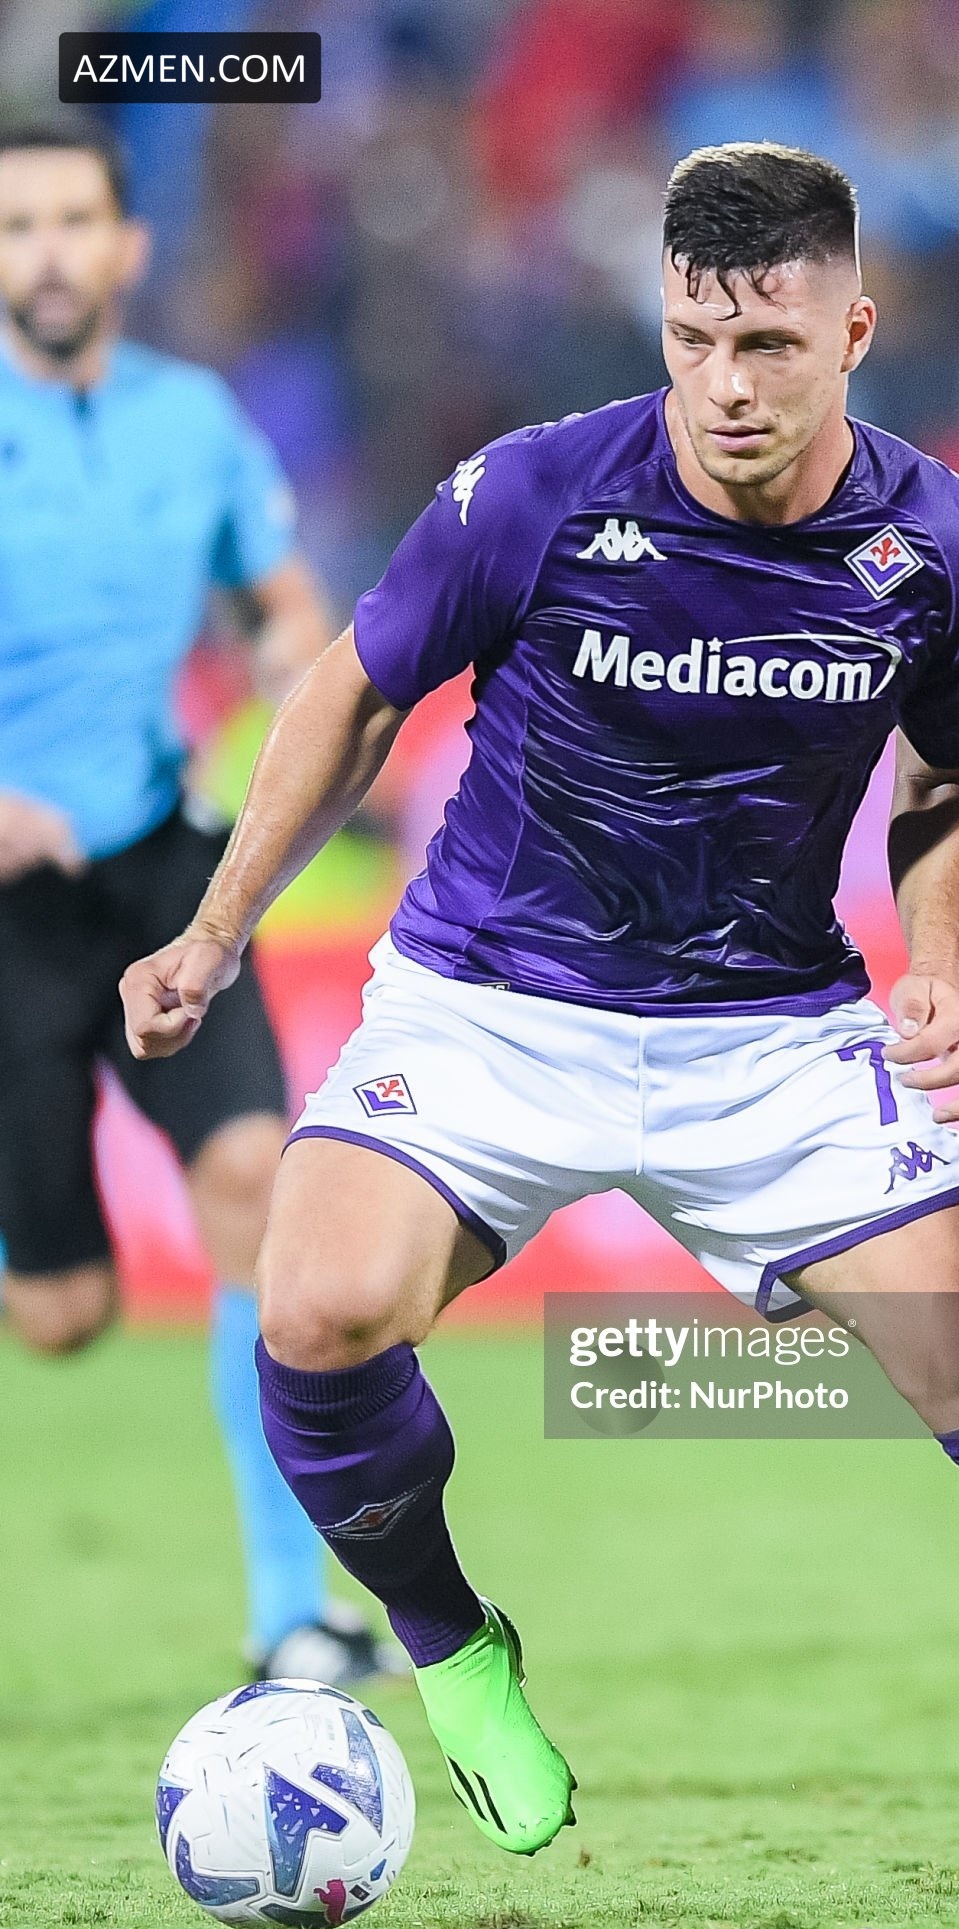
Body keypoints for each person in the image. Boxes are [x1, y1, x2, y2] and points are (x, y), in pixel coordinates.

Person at [122, 142, 959, 1918]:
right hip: (492, 1005)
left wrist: (945, 969)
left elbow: (951, 781)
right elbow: (353, 695)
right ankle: (449, 1643)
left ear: (856, 332)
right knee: (317, 1311)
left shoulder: (946, 546)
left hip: (772, 1038)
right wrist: (216, 932)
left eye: (770, 347)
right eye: (692, 341)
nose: (725, 387)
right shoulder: (529, 495)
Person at [0, 119, 396, 1686]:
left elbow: (277, 603)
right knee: (61, 1316)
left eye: (70, 221)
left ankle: (292, 1616)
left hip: (163, 863)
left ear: (126, 247)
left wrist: (297, 661)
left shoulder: (195, 422)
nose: (45, 253)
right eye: (15, 226)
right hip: (9, 909)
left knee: (254, 1185)